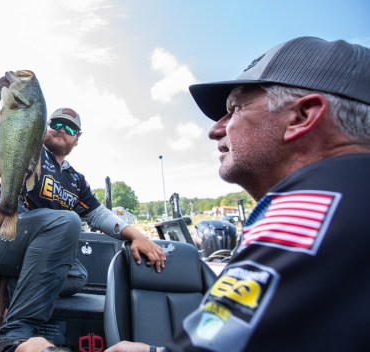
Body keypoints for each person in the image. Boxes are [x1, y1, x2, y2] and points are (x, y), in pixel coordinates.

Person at [21, 36, 370, 351]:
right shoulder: (343, 201)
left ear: (302, 116)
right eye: (56, 124)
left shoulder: (310, 212)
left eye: (234, 110)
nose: (215, 130)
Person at [0, 107, 166, 352]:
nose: (62, 130)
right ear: (44, 127)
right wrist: (14, 104)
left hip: (27, 255)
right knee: (68, 221)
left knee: (77, 276)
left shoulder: (76, 180)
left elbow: (97, 213)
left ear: (77, 139)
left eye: (70, 128)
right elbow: (9, 136)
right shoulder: (31, 149)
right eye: (56, 124)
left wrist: (136, 235)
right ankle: (14, 333)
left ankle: (13, 288)